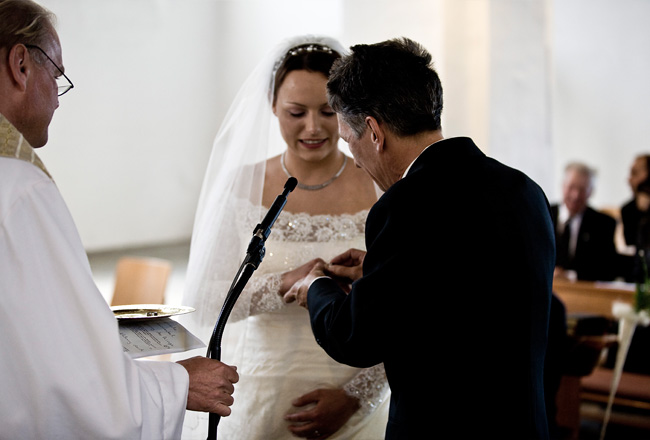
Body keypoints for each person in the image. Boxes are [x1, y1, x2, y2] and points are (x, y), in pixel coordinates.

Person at [285, 37, 554, 440]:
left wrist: (316, 285)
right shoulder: (524, 191)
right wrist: (377, 271)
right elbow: (463, 287)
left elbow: (357, 339)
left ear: (373, 131)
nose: (355, 159)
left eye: (349, 139)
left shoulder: (404, 205)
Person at [0, 1, 238, 438]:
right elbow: (75, 395)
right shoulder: (19, 187)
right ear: (20, 65)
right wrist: (181, 382)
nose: (58, 97)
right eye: (56, 75)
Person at [178, 35, 390, 439]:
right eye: (296, 112)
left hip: (354, 398)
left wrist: (358, 397)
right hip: (261, 391)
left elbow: (406, 309)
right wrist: (283, 283)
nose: (312, 127)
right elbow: (205, 301)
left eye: (328, 111)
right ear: (273, 107)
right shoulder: (242, 187)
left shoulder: (377, 184)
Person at [550, 162, 618, 281]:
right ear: (562, 186)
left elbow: (608, 269)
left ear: (591, 191)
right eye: (571, 187)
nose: (575, 195)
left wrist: (570, 276)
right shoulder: (545, 214)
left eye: (582, 190)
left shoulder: (604, 224)